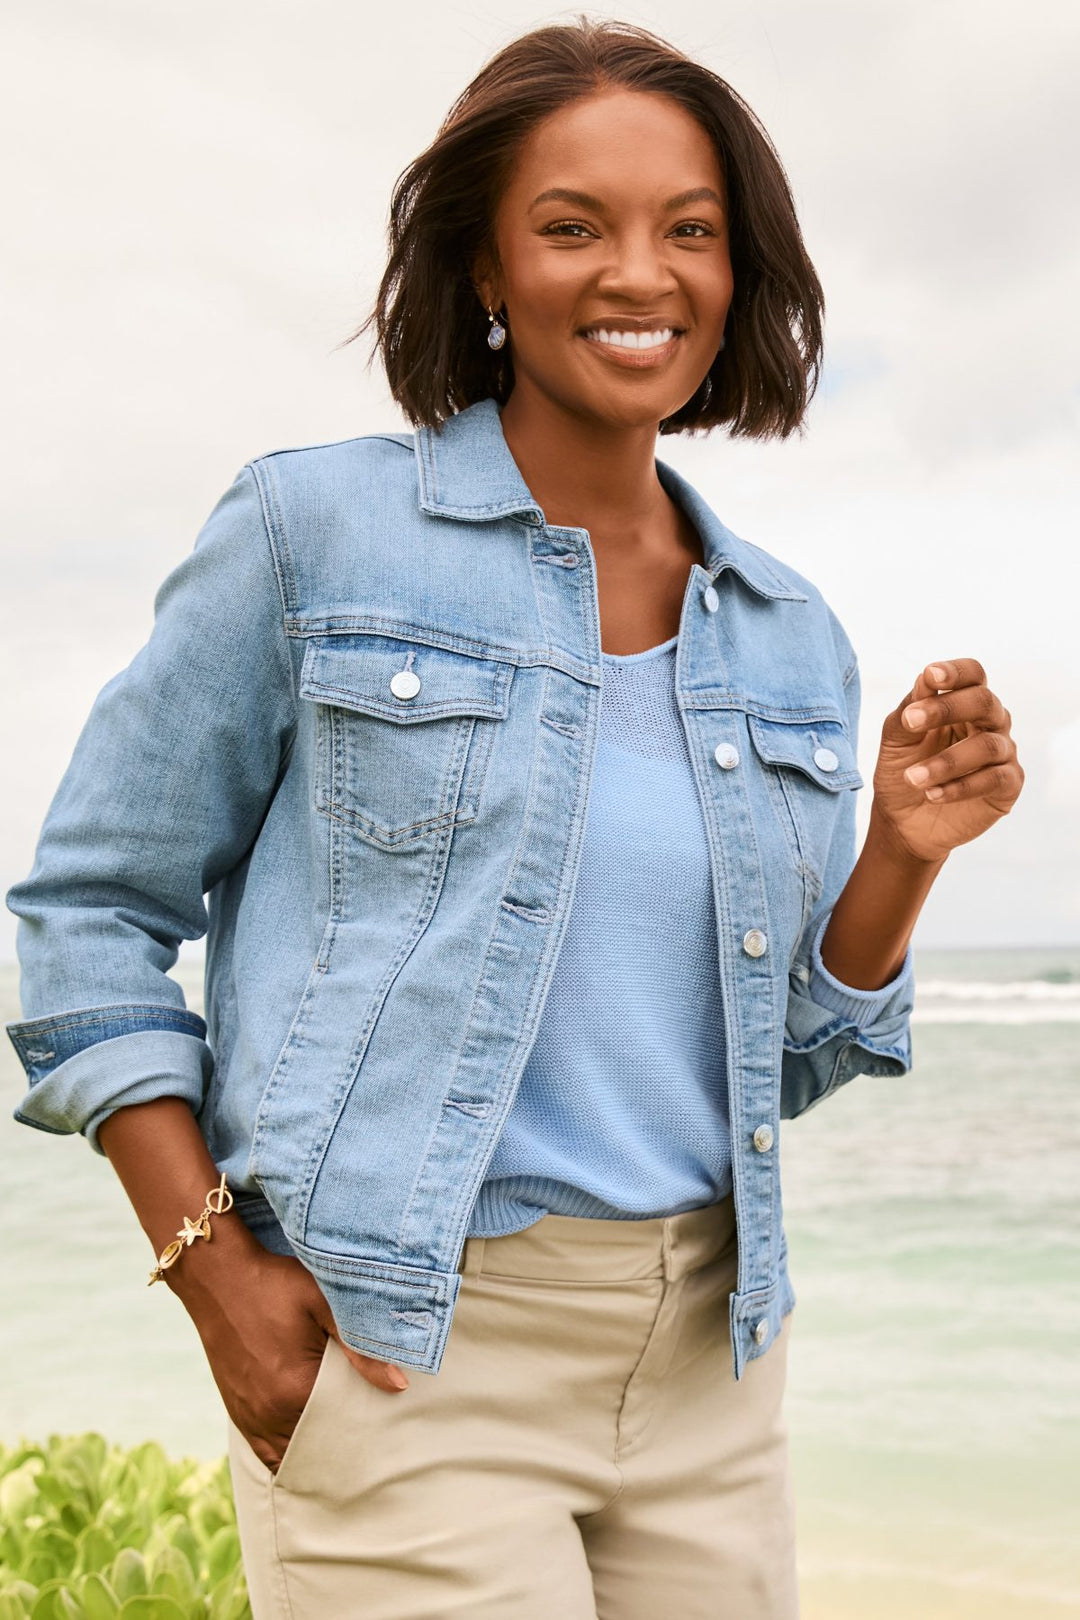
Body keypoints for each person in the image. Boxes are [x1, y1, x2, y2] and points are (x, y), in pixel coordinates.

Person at [5, 17, 1023, 1620]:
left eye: (691, 229)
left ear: (737, 273)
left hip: (712, 1365)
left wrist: (901, 853)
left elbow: (789, 1058)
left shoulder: (785, 631)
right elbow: (86, 917)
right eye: (575, 226)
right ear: (486, 265)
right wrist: (215, 1279)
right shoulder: (311, 534)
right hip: (406, 1352)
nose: (642, 273)